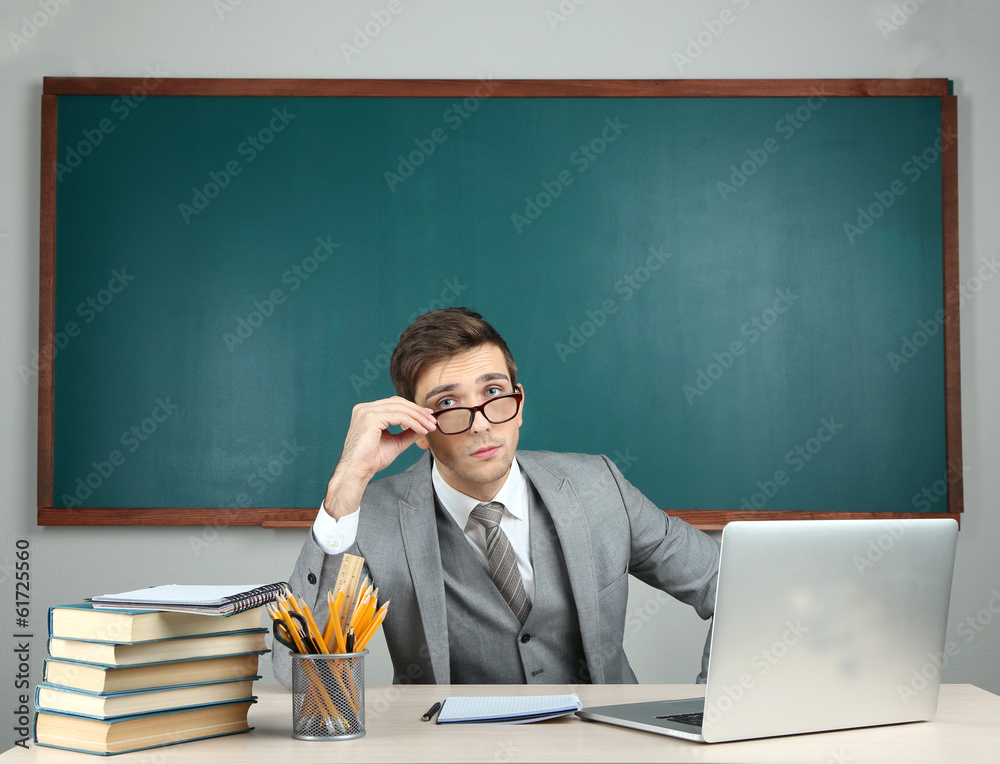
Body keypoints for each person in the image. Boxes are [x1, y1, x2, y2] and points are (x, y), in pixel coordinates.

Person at [274, 308, 719, 687]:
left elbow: (728, 582)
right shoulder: (370, 520)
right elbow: (303, 679)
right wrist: (345, 488)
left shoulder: (600, 488)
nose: (481, 423)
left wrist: (710, 704)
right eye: (448, 404)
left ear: (519, 404)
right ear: (419, 429)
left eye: (492, 393)